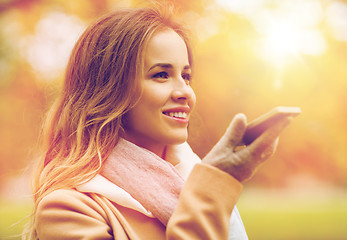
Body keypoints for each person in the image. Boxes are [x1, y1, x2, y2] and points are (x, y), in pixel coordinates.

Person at [26, 4, 291, 240]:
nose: (184, 91)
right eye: (161, 75)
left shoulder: (190, 177)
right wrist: (213, 187)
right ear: (109, 89)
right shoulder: (67, 209)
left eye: (185, 76)